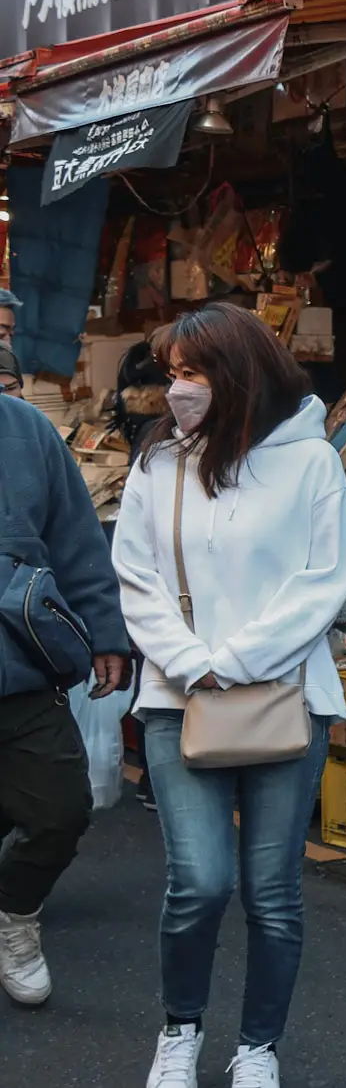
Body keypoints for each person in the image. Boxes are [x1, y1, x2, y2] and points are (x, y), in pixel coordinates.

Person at [112, 304, 346, 1088]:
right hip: (176, 696)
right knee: (200, 880)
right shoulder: (158, 461)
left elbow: (329, 577)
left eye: (192, 372)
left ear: (237, 374)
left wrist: (238, 658)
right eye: (174, 372)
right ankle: (179, 1030)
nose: (177, 388)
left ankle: (258, 1046)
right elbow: (137, 575)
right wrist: (195, 663)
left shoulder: (311, 462)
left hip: (286, 696)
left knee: (273, 891)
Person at [0, 388, 130, 1010]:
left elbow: (77, 539)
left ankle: (15, 916)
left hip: (21, 662)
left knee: (60, 810)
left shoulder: (25, 428)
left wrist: (106, 632)